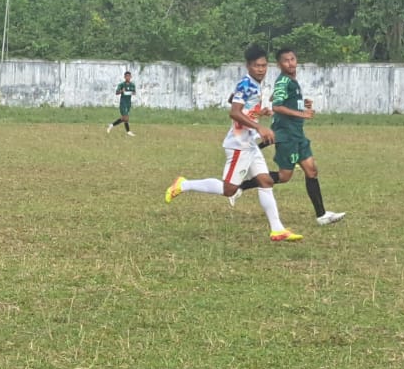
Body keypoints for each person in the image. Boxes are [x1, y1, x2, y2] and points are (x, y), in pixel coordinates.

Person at [164, 46, 302, 242]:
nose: (261, 69)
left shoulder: (254, 84)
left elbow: (235, 101)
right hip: (239, 145)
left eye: (263, 65)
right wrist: (259, 127)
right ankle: (183, 185)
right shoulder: (247, 83)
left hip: (249, 143)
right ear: (248, 66)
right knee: (229, 189)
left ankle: (277, 229)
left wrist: (259, 112)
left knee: (266, 181)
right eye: (256, 66)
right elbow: (234, 112)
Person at [268, 49, 345, 226]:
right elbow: (277, 105)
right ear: (279, 65)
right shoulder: (284, 80)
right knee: (284, 176)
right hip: (287, 135)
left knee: (311, 170)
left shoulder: (291, 81)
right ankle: (242, 185)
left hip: (298, 135)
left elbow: (277, 95)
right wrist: (301, 113)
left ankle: (322, 215)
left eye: (293, 59)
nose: (290, 63)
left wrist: (301, 102)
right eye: (286, 61)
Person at [108, 70, 136, 135]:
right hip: (123, 103)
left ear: (131, 77)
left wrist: (133, 92)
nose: (128, 77)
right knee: (126, 118)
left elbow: (134, 92)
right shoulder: (121, 85)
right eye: (126, 76)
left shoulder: (132, 85)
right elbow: (116, 93)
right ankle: (128, 131)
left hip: (128, 103)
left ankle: (111, 125)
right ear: (124, 77)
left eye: (129, 76)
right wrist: (121, 91)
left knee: (124, 119)